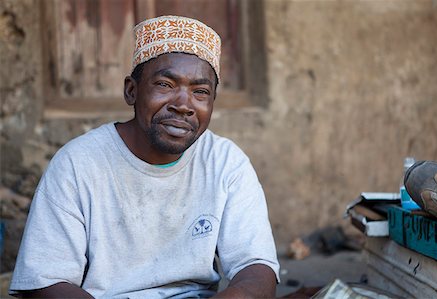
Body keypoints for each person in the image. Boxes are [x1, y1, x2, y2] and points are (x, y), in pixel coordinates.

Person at [9, 15, 279, 298]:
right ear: (131, 91)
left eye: (200, 92)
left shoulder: (226, 163)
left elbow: (256, 268)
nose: (183, 105)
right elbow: (46, 282)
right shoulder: (78, 164)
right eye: (165, 84)